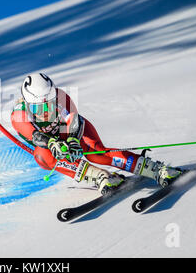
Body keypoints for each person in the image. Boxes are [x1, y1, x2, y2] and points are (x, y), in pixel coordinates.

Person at [11, 73, 182, 195]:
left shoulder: (61, 98)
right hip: (49, 143)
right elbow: (36, 137)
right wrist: (52, 144)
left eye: (49, 104)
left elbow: (74, 121)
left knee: (97, 154)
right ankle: (100, 177)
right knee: (43, 157)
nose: (45, 111)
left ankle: (155, 169)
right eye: (37, 108)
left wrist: (72, 141)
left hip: (70, 132)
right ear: (27, 104)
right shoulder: (18, 115)